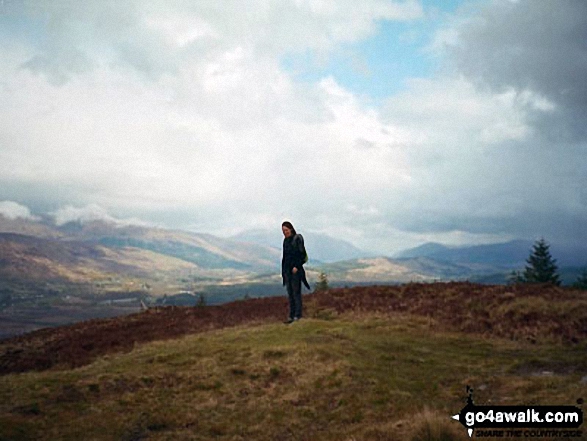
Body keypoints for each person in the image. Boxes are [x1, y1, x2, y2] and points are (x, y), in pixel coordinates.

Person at [281, 221, 310, 324]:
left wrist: (297, 266)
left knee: (296, 293)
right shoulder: (285, 241)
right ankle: (291, 316)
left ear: (291, 229)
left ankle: (298, 315)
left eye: (286, 230)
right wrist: (283, 272)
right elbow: (284, 257)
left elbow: (303, 256)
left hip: (296, 272)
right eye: (283, 231)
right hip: (287, 271)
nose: (285, 232)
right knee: (290, 294)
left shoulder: (298, 238)